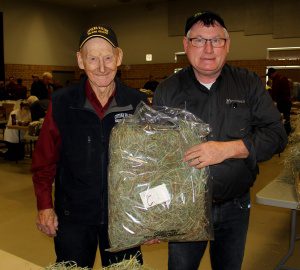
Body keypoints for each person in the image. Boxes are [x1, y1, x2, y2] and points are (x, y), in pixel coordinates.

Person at [152, 11, 287, 270]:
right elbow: (156, 157)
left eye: (216, 40)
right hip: (185, 209)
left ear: (227, 45)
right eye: (199, 40)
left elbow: (276, 135)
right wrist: (158, 214)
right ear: (185, 44)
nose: (208, 49)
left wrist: (228, 149)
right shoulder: (168, 90)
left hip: (235, 206)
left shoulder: (247, 83)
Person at [31, 25, 147, 268]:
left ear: (119, 57)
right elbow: (44, 160)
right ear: (80, 61)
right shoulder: (62, 102)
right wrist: (44, 205)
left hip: (123, 219)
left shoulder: (136, 103)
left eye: (107, 57)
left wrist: (150, 215)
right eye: (92, 58)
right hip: (73, 218)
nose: (102, 67)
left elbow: (148, 166)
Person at [266, 67, 292, 135]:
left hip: (284, 102)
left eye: (270, 75)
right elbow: (275, 91)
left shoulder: (281, 79)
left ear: (273, 73)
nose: (269, 77)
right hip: (281, 102)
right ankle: (283, 132)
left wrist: (270, 92)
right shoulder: (276, 79)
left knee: (285, 118)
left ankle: (287, 133)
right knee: (281, 118)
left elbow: (281, 92)